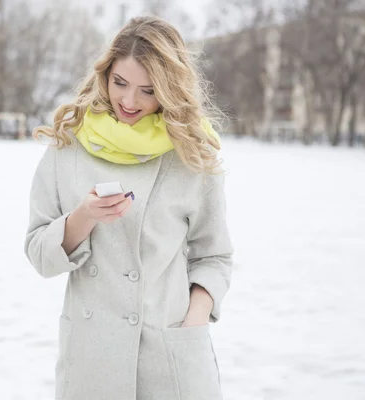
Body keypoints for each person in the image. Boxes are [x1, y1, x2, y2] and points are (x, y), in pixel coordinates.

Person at [24, 15, 233, 400]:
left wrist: (193, 322)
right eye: (120, 83)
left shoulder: (191, 153)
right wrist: (84, 217)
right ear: (105, 74)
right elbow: (39, 254)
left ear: (170, 90)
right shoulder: (68, 146)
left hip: (169, 358)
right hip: (92, 361)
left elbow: (214, 256)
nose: (129, 101)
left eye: (147, 90)